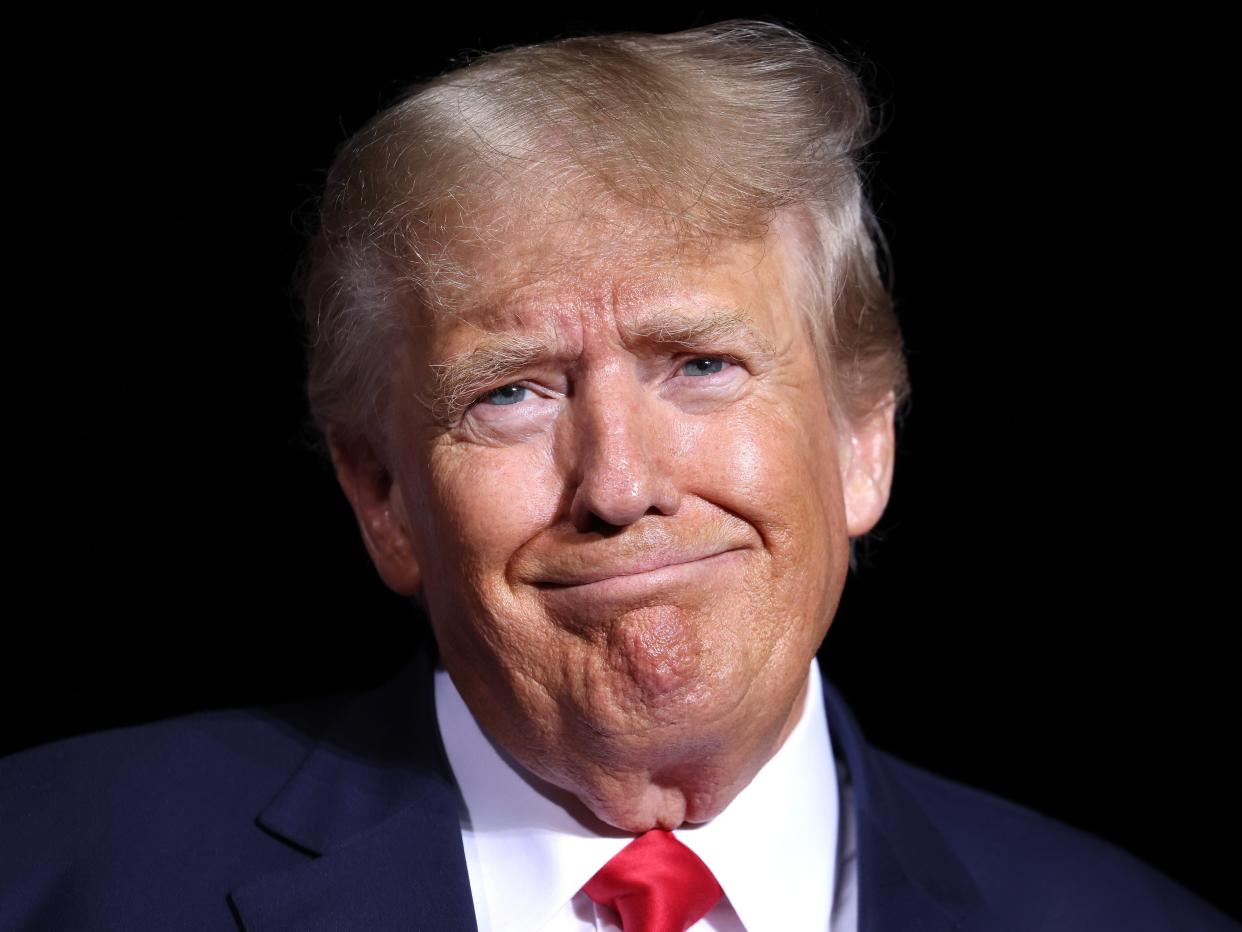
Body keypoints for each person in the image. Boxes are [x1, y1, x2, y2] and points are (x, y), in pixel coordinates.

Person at [2, 21, 1237, 932]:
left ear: (864, 436)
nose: (620, 484)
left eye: (700, 363)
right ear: (381, 497)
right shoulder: (43, 867)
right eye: (510, 393)